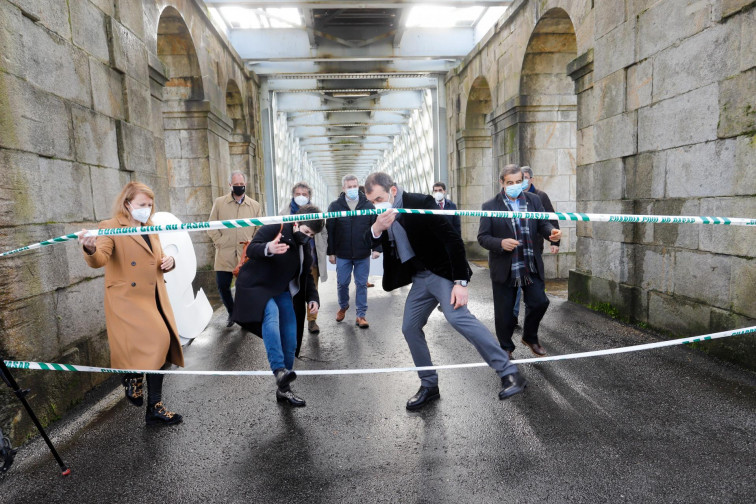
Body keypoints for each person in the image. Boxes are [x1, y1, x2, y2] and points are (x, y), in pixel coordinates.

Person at [364, 172, 527, 411]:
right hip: (419, 278)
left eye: (380, 198)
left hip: (442, 273)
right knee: (409, 327)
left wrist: (460, 282)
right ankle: (429, 385)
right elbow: (366, 241)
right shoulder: (379, 215)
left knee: (457, 317)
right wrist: (377, 228)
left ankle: (510, 372)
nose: (377, 204)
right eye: (373, 201)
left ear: (393, 190)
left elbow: (452, 239)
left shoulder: (421, 203)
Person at [78, 182, 184, 426]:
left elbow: (156, 257)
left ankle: (154, 406)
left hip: (154, 294)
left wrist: (170, 260)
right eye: (141, 204)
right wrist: (90, 247)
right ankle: (132, 375)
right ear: (127, 203)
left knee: (163, 345)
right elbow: (99, 259)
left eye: (149, 205)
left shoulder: (151, 227)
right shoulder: (110, 226)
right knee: (158, 340)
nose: (146, 209)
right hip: (128, 299)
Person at [232, 205, 324, 407]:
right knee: (271, 314)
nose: (308, 237)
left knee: (290, 337)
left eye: (312, 235)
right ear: (296, 222)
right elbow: (253, 248)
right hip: (256, 285)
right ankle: (279, 370)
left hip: (280, 289)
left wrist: (313, 298)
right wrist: (269, 248)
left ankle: (284, 389)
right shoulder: (276, 227)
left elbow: (306, 275)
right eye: (306, 231)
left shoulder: (304, 247)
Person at [477, 165, 562, 357]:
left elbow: (543, 223)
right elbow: (482, 237)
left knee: (540, 302)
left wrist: (552, 234)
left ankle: (530, 337)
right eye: (510, 183)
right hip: (505, 267)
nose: (515, 186)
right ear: (502, 183)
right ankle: (506, 347)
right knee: (504, 312)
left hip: (529, 262)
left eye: (518, 182)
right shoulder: (490, 206)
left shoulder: (534, 200)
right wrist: (500, 243)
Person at [207, 171, 264, 327]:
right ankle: (232, 313)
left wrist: (252, 243)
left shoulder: (254, 205)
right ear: (230, 185)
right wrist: (220, 241)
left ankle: (244, 315)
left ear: (245, 184)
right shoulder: (219, 203)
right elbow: (210, 226)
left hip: (245, 254)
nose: (239, 187)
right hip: (224, 252)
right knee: (223, 285)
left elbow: (260, 228)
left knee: (244, 287)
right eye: (236, 185)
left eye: (241, 184)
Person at [327, 175, 381, 328]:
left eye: (354, 186)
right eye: (349, 186)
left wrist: (376, 248)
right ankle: (343, 306)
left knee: (361, 284)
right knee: (342, 283)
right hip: (342, 253)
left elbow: (376, 226)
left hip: (362, 253)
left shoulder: (368, 206)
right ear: (343, 188)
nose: (352, 189)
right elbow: (330, 230)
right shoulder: (335, 206)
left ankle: (361, 315)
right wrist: (331, 252)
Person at [280, 182, 328, 355]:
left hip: (311, 258)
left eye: (304, 194)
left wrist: (323, 251)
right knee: (292, 297)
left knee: (309, 287)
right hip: (290, 262)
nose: (301, 196)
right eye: (298, 193)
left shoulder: (316, 214)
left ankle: (311, 320)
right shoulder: (284, 214)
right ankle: (290, 338)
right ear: (293, 194)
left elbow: (324, 233)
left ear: (309, 196)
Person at [511, 166, 561, 325]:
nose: (523, 181)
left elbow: (550, 219)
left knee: (532, 286)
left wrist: (554, 241)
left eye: (525, 178)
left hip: (534, 248)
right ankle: (513, 317)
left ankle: (530, 318)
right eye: (520, 178)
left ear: (531, 179)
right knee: (517, 284)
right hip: (516, 249)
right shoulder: (513, 198)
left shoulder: (540, 196)